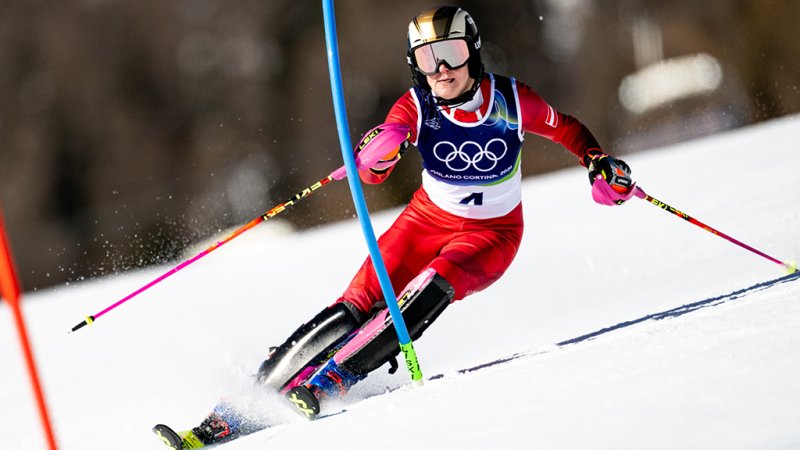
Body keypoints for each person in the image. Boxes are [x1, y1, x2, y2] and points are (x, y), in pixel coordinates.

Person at [181, 5, 635, 447]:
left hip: (492, 233)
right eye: (426, 59)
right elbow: (377, 164)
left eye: (451, 54)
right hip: (424, 221)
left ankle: (335, 377)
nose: (440, 69)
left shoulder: (512, 100)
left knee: (433, 285)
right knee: (354, 306)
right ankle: (238, 407)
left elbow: (567, 129)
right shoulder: (417, 106)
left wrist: (597, 163)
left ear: (473, 53)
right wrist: (380, 154)